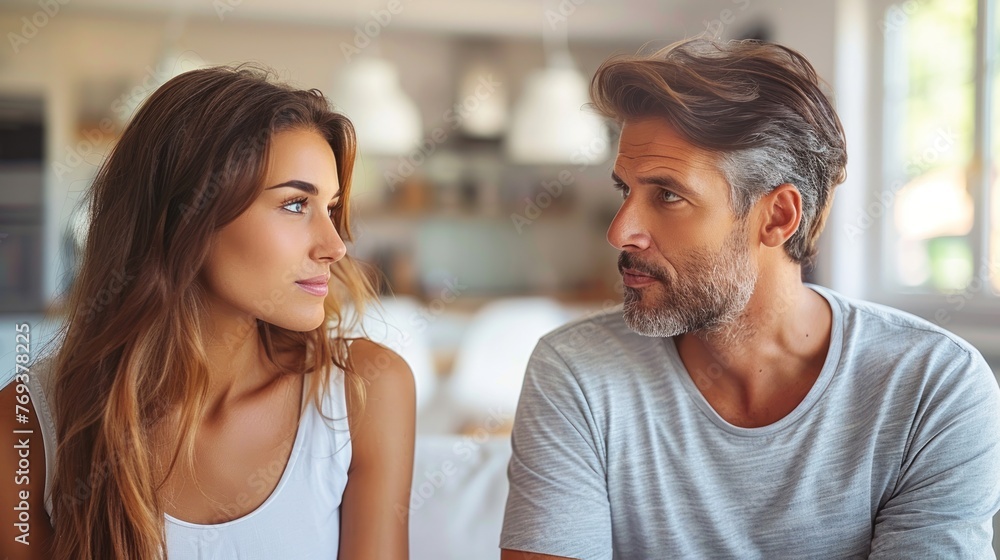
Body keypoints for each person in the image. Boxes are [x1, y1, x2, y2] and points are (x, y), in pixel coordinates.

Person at [500, 37, 1000, 559]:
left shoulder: (933, 386)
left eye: (668, 195)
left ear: (778, 217)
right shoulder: (578, 371)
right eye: (625, 191)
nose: (620, 231)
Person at [0, 66, 415, 559]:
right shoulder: (25, 425)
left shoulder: (365, 390)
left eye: (332, 208)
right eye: (295, 204)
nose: (334, 246)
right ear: (186, 216)